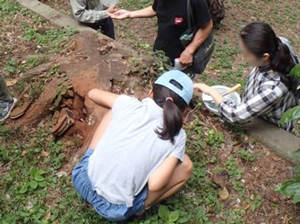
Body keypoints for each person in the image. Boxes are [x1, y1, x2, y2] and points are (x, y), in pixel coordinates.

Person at [72, 70, 194, 222]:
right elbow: (156, 184)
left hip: (82, 180)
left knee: (114, 111)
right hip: (114, 210)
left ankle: (94, 161)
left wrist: (126, 103)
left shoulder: (128, 104)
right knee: (187, 165)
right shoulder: (178, 136)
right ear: (182, 112)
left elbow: (93, 93)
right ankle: (140, 209)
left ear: (150, 92)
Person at [194, 22, 300, 131]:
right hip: (259, 105)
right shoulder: (278, 45)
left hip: (270, 126)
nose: (243, 58)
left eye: (246, 54)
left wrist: (211, 91)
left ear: (265, 57)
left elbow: (235, 116)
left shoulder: (273, 89)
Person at [111, 0, 213, 74]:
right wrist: (130, 14)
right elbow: (155, 9)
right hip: (161, 51)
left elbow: (207, 26)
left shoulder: (195, 2)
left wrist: (189, 51)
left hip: (182, 60)